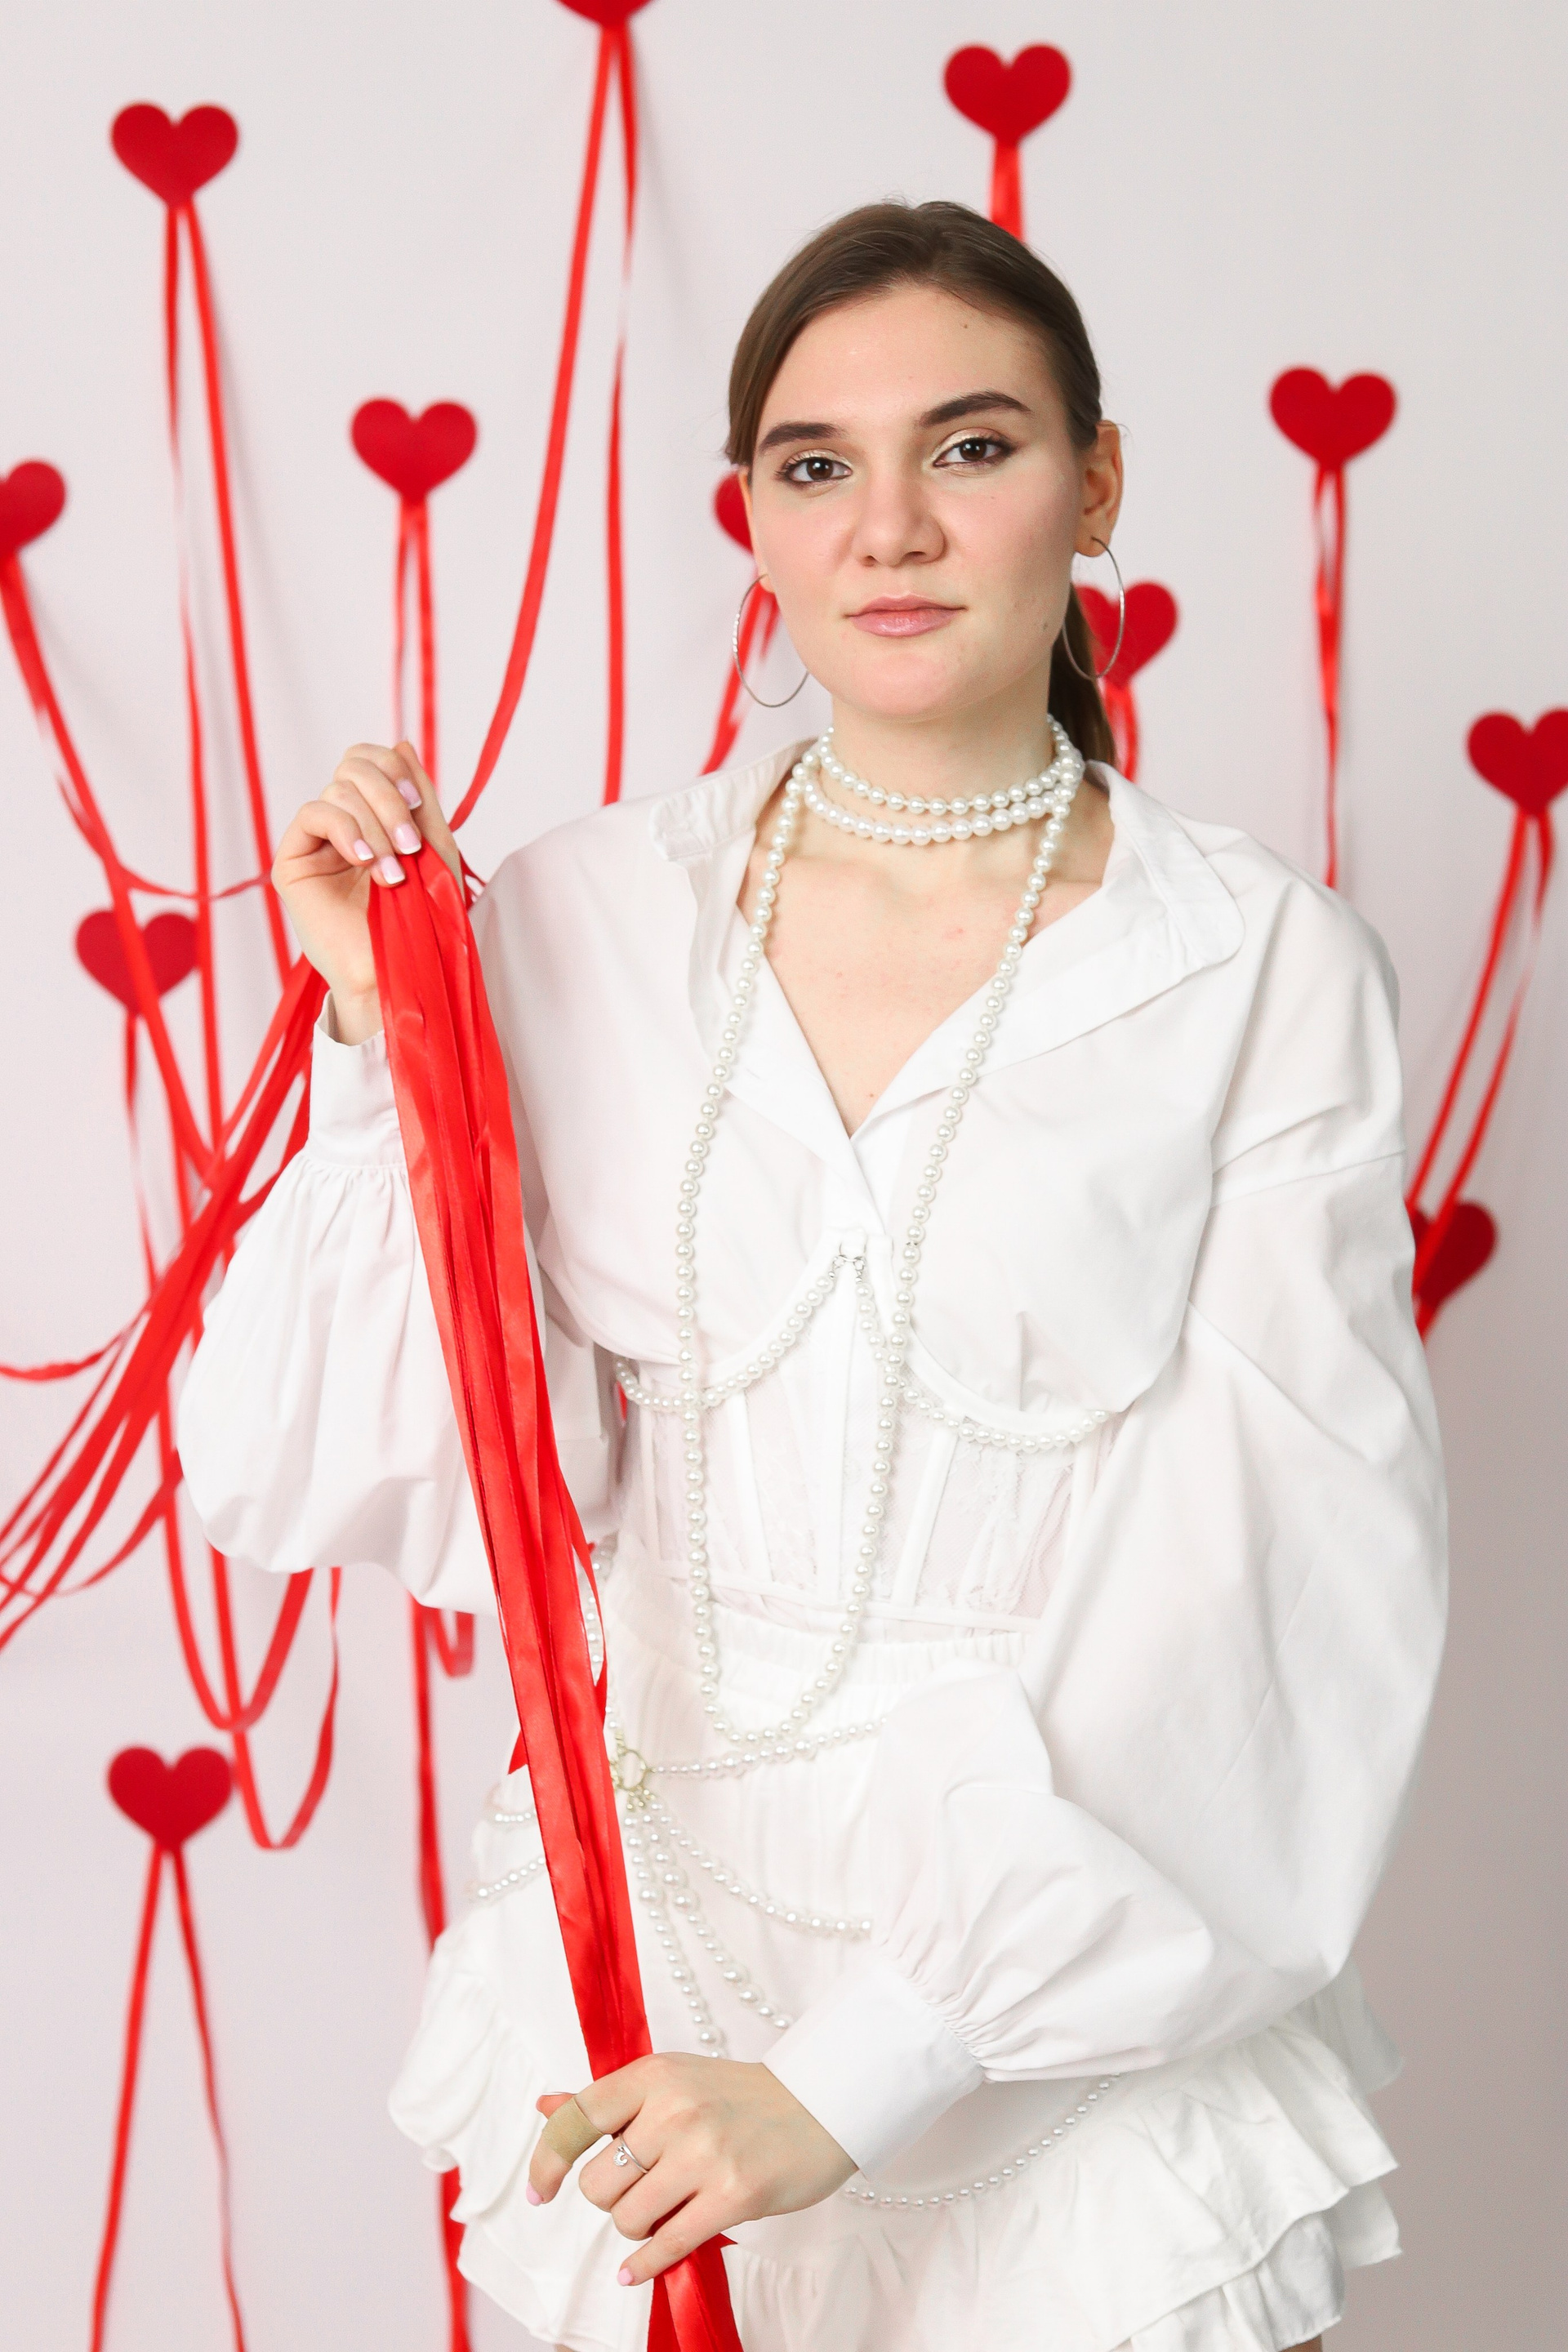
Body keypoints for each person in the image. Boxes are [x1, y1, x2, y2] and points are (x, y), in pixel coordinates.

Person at [178, 200, 1446, 2352]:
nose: (892, 527)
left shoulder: (1261, 966)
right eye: (816, 463)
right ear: (751, 517)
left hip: (1079, 2006)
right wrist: (396, 1037)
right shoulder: (578, 914)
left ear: (1098, 485)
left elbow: (1285, 1584)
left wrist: (864, 2068)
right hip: (656, 1966)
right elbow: (395, 1463)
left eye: (974, 447)